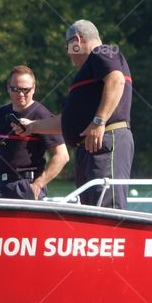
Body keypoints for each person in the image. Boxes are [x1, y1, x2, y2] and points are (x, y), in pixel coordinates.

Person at [16, 20, 133, 208]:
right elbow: (67, 121)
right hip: (90, 146)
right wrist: (32, 127)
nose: (68, 52)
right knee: (90, 207)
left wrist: (98, 121)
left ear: (77, 40)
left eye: (67, 46)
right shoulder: (90, 71)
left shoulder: (102, 52)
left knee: (105, 204)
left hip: (105, 140)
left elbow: (117, 80)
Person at [0, 65, 69, 200]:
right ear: (8, 88)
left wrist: (38, 185)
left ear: (33, 88)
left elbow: (62, 155)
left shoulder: (42, 115)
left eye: (25, 90)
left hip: (27, 186)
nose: (20, 94)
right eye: (15, 89)